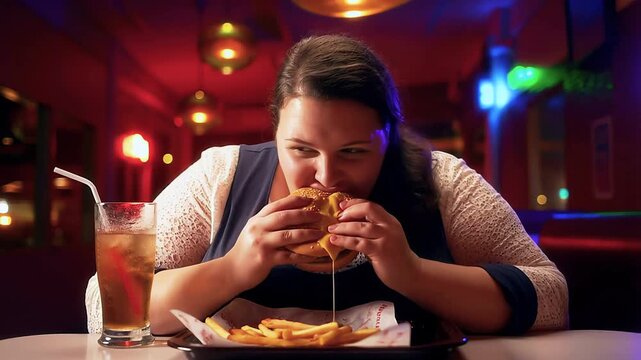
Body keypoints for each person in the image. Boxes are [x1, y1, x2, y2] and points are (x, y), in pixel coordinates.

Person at [86, 34, 568, 336]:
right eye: (301, 150)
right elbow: (100, 307)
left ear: (390, 138)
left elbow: (551, 297)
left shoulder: (442, 179)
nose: (326, 176)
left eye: (354, 152)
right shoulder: (220, 175)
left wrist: (412, 272)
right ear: (274, 133)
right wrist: (233, 268)